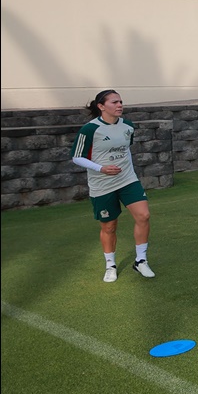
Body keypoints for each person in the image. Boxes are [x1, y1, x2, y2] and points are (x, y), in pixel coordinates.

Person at [71, 89, 155, 282]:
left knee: (144, 215)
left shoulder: (128, 125)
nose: (120, 105)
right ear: (101, 106)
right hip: (102, 184)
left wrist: (130, 173)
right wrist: (101, 168)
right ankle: (111, 265)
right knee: (109, 226)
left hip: (127, 180)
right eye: (114, 102)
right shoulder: (90, 129)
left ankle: (140, 261)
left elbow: (126, 151)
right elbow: (77, 157)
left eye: (121, 102)